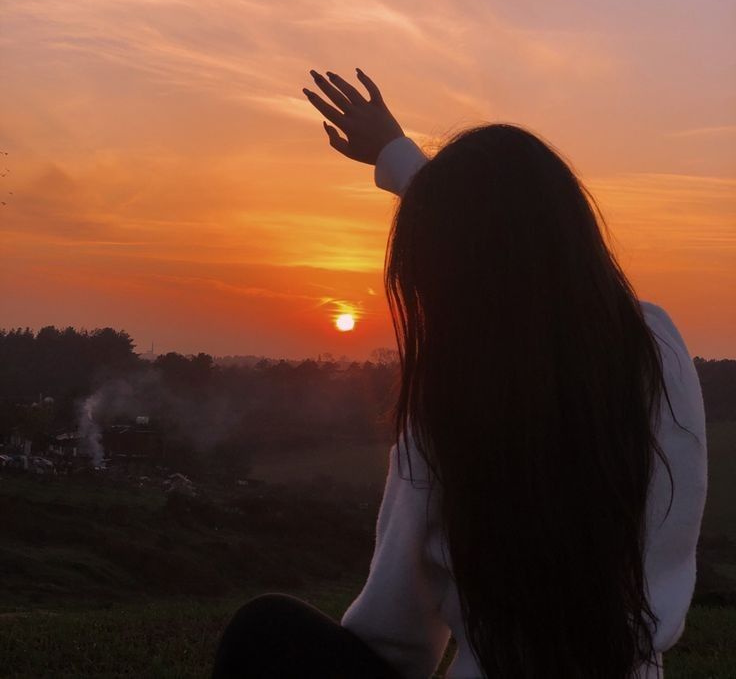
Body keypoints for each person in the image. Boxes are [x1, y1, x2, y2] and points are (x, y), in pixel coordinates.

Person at [211, 68, 708, 679]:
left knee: (265, 632)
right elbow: (516, 255)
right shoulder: (657, 347)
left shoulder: (452, 400)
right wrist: (397, 156)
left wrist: (401, 162)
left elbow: (398, 643)